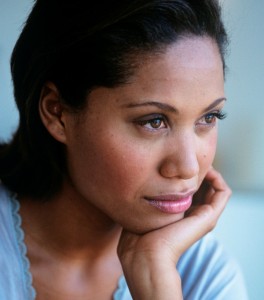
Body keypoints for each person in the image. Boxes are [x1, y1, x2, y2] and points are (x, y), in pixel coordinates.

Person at [0, 0, 248, 299]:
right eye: (154, 121)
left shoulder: (207, 275)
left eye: (208, 118)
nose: (189, 167)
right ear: (57, 113)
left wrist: (156, 281)